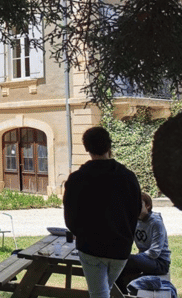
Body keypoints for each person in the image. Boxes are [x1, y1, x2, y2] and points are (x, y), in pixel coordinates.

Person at [64, 126, 141, 298]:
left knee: (99, 293)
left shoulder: (77, 179)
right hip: (120, 249)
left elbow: (70, 218)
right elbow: (135, 211)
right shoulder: (128, 177)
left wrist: (82, 234)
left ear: (86, 148)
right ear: (109, 146)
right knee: (103, 291)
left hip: (91, 248)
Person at [117, 192, 172, 293]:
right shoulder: (134, 221)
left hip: (160, 263)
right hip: (144, 260)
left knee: (126, 259)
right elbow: (127, 241)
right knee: (117, 266)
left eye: (139, 204)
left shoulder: (156, 223)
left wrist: (135, 257)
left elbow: (154, 253)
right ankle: (123, 294)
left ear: (148, 206)